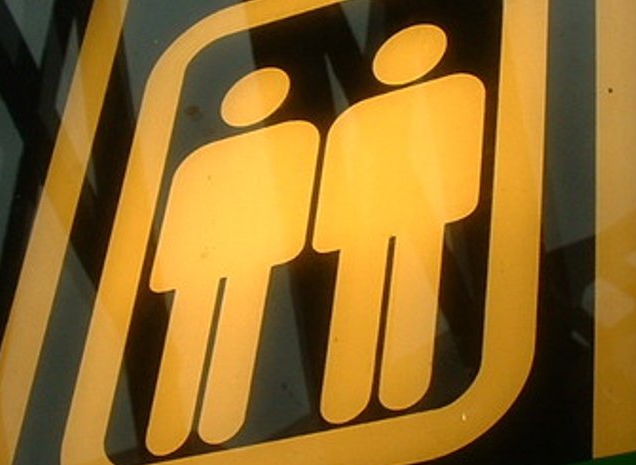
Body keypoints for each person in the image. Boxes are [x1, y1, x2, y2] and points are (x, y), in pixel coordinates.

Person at [314, 24, 486, 424]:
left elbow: (464, 173)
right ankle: (366, 394)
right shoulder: (455, 94)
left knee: (404, 304)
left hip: (407, 223)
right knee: (370, 308)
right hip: (373, 227)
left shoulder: (456, 94)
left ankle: (390, 390)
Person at [146, 67, 320, 455]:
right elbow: (183, 212)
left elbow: (293, 203)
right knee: (188, 349)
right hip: (201, 267)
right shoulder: (205, 159)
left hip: (248, 261)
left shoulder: (292, 141)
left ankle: (215, 424)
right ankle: (175, 431)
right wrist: (169, 271)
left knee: (235, 344)